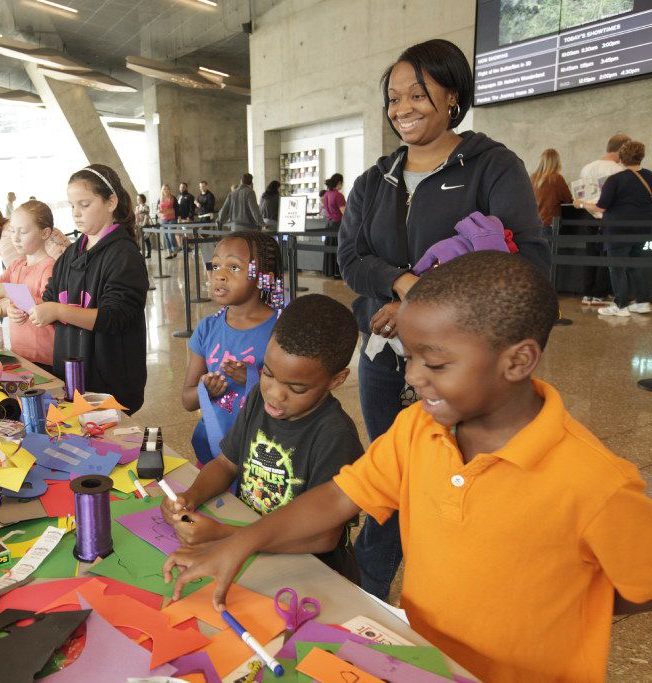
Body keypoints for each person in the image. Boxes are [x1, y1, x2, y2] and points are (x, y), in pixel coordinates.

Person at [164, 252, 652, 683]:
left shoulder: (596, 483)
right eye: (410, 356)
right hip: (425, 661)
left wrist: (561, 603)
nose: (414, 376)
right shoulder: (418, 429)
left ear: (518, 360)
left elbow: (642, 585)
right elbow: (338, 496)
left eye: (435, 364)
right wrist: (241, 542)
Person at [336, 38, 550, 601]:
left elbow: (526, 259)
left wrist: (423, 302)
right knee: (392, 473)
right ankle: (369, 597)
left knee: (465, 480)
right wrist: (405, 285)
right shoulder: (374, 180)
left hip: (466, 363)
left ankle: (465, 599)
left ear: (452, 97)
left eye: (417, 94)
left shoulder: (492, 166)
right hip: (386, 358)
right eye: (393, 98)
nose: (402, 108)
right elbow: (350, 259)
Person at [166, 293, 362, 582]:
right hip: (249, 548)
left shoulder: (335, 436)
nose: (274, 394)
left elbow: (323, 538)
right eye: (268, 374)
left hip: (308, 573)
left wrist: (226, 535)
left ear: (336, 380)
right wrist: (189, 497)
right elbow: (225, 464)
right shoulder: (259, 396)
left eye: (295, 388)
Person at [31, 164, 149, 413]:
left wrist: (60, 311)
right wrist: (35, 309)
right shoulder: (72, 253)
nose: (76, 213)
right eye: (72, 205)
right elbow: (51, 297)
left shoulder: (124, 255)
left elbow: (115, 318)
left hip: (110, 384)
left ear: (111, 202)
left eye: (84, 205)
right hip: (72, 379)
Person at [181, 231, 283, 464]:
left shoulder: (281, 330)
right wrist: (205, 390)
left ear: (262, 277)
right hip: (212, 452)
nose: (220, 276)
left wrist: (252, 379)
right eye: (216, 266)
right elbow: (187, 400)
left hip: (261, 457)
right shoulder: (207, 328)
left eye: (234, 268)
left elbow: (294, 399)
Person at [0, 201, 58, 371]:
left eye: (23, 231)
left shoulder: (50, 267)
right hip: (20, 355)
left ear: (45, 233)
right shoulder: (16, 265)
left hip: (45, 359)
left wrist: (8, 291)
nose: (15, 238)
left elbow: (45, 310)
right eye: (12, 231)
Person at [576, 140, 652, 317]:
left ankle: (620, 304)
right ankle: (641, 302)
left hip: (618, 231)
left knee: (616, 267)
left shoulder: (616, 179)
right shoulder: (649, 176)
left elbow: (601, 207)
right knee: (635, 265)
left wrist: (580, 204)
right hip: (644, 230)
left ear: (622, 157)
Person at [576, 134, 629, 305]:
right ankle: (600, 293)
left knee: (590, 253)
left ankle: (587, 293)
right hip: (608, 216)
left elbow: (580, 195)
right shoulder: (618, 171)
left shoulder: (587, 168)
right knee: (606, 255)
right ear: (621, 148)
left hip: (587, 215)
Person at [530, 148, 572, 226]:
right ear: (556, 163)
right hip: (550, 225)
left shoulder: (532, 178)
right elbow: (568, 200)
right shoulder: (557, 179)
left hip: (534, 225)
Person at [321, 173, 346, 278]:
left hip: (329, 223)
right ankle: (338, 272)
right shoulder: (338, 195)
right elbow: (344, 212)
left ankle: (329, 270)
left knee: (329, 247)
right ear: (339, 183)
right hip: (338, 224)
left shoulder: (326, 194)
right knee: (338, 248)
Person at [158, 184, 179, 259]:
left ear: (169, 190)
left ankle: (175, 250)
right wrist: (159, 211)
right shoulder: (159, 199)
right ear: (162, 190)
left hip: (172, 219)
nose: (166, 190)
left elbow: (177, 208)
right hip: (163, 219)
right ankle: (169, 253)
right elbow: (158, 210)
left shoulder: (173, 198)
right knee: (166, 236)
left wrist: (178, 217)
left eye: (167, 189)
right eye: (164, 189)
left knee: (171, 235)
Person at [135, 193, 152, 258]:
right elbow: (136, 216)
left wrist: (143, 224)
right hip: (138, 225)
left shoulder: (146, 207)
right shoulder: (137, 207)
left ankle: (148, 253)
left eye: (139, 199)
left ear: (142, 199)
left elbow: (146, 216)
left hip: (145, 225)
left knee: (146, 239)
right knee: (138, 239)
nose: (138, 200)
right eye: (137, 199)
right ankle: (139, 253)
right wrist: (136, 224)